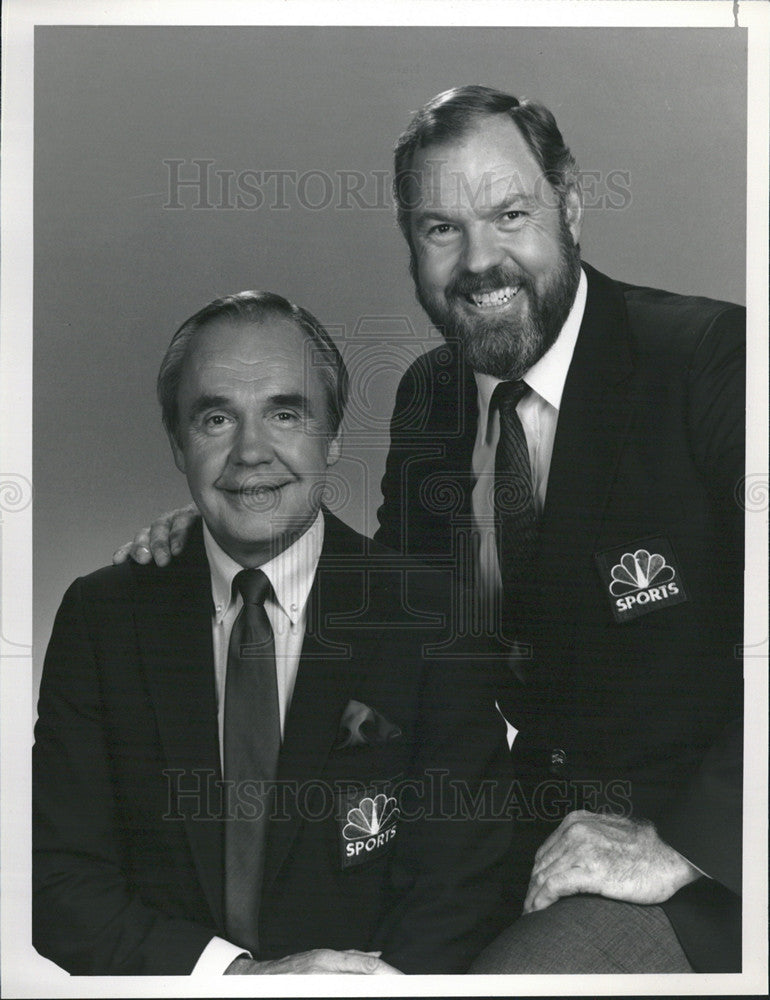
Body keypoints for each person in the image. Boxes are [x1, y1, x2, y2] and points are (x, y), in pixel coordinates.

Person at [116, 86, 745, 974]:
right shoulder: (432, 396)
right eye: (442, 228)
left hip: (696, 866)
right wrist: (247, 523)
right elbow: (396, 624)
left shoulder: (712, 361)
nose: (479, 261)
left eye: (510, 215)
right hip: (505, 839)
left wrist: (684, 843)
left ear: (569, 208)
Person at [33, 290, 512, 976]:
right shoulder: (102, 620)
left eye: (285, 414)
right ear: (178, 445)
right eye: (216, 418)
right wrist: (237, 980)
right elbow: (58, 883)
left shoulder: (435, 619)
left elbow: (465, 885)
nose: (251, 452)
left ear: (333, 437)